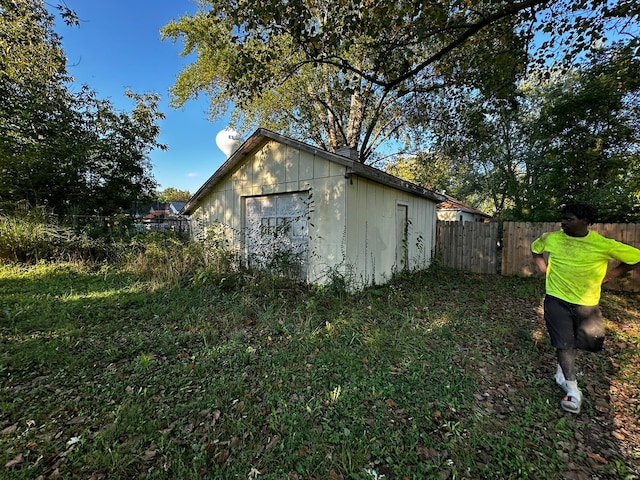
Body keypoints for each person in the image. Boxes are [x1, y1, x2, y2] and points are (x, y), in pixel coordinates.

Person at [531, 202, 640, 414]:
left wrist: (610, 276)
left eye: (569, 219)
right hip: (556, 299)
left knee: (586, 342)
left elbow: (635, 258)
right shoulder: (551, 238)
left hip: (587, 303)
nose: (563, 222)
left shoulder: (602, 244)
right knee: (563, 343)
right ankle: (572, 389)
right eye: (563, 218)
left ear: (584, 221)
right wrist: (543, 268)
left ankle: (563, 368)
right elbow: (536, 249)